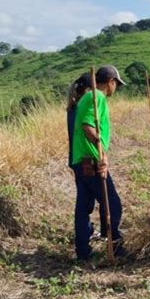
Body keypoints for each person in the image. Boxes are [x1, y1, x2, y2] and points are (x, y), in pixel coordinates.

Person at [71, 65, 128, 260]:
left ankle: (83, 251)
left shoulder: (87, 97)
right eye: (116, 85)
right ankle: (115, 244)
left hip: (81, 159)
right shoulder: (98, 97)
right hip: (91, 159)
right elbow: (88, 125)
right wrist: (101, 151)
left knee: (84, 205)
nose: (116, 89)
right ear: (111, 82)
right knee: (113, 204)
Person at [67, 73, 101, 241]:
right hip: (87, 160)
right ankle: (110, 235)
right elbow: (88, 131)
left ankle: (85, 238)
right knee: (106, 201)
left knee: (84, 203)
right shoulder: (83, 108)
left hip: (76, 160)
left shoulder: (72, 108)